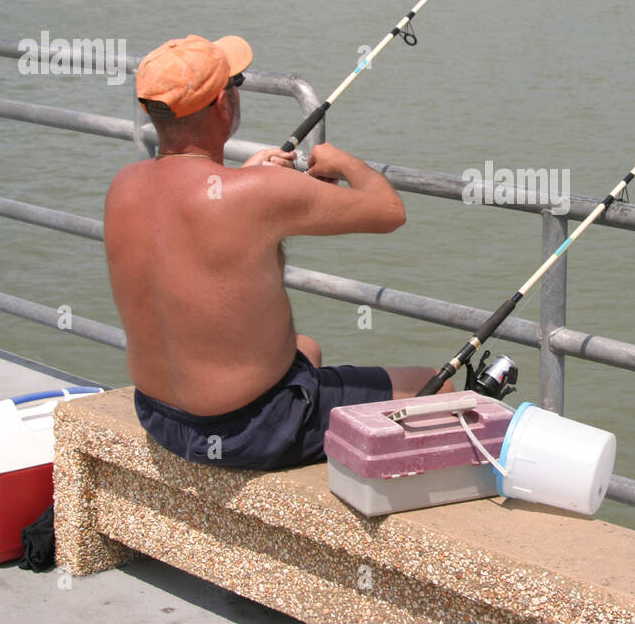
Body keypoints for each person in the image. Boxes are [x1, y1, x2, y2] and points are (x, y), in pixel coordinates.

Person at [103, 33, 452, 471]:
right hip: (252, 430)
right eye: (235, 84)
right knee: (439, 389)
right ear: (220, 106)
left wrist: (244, 180)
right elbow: (389, 210)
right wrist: (341, 162)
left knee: (307, 348)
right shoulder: (254, 194)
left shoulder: (123, 186)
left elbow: (199, 207)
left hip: (160, 416)